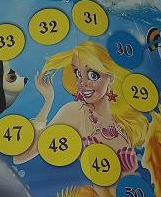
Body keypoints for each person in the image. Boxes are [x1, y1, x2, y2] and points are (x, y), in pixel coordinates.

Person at [16, 41, 146, 174]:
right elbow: (21, 156)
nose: (82, 83)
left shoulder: (121, 125)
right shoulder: (75, 111)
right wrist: (48, 101)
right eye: (77, 73)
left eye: (93, 75)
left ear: (110, 77)